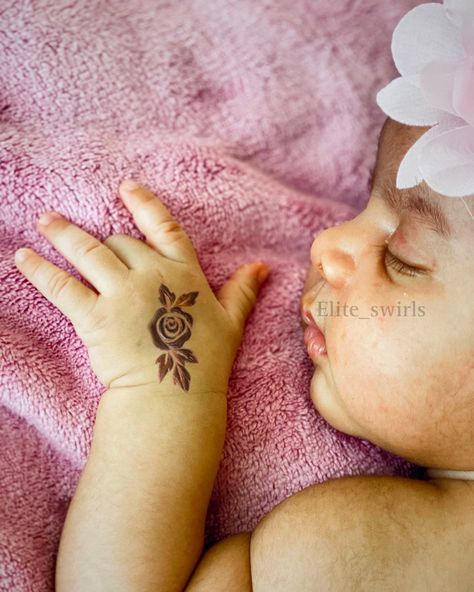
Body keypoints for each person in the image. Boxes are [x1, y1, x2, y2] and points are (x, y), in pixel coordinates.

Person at [13, 1, 474, 589]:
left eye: (402, 259)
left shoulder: (350, 551)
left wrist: (163, 396)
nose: (328, 242)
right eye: (363, 202)